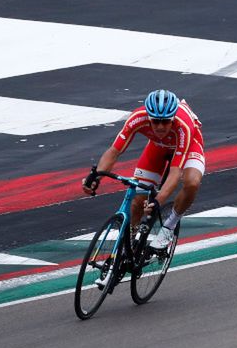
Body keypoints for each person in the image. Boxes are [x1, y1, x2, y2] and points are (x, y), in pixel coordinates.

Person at [82, 89, 205, 250]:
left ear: (173, 118)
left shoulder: (183, 127)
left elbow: (175, 172)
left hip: (188, 145)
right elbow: (114, 151)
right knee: (138, 201)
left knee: (192, 182)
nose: (160, 127)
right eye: (155, 121)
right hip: (157, 147)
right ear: (148, 117)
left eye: (165, 122)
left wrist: (157, 202)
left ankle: (169, 227)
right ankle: (129, 243)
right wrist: (96, 177)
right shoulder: (137, 118)